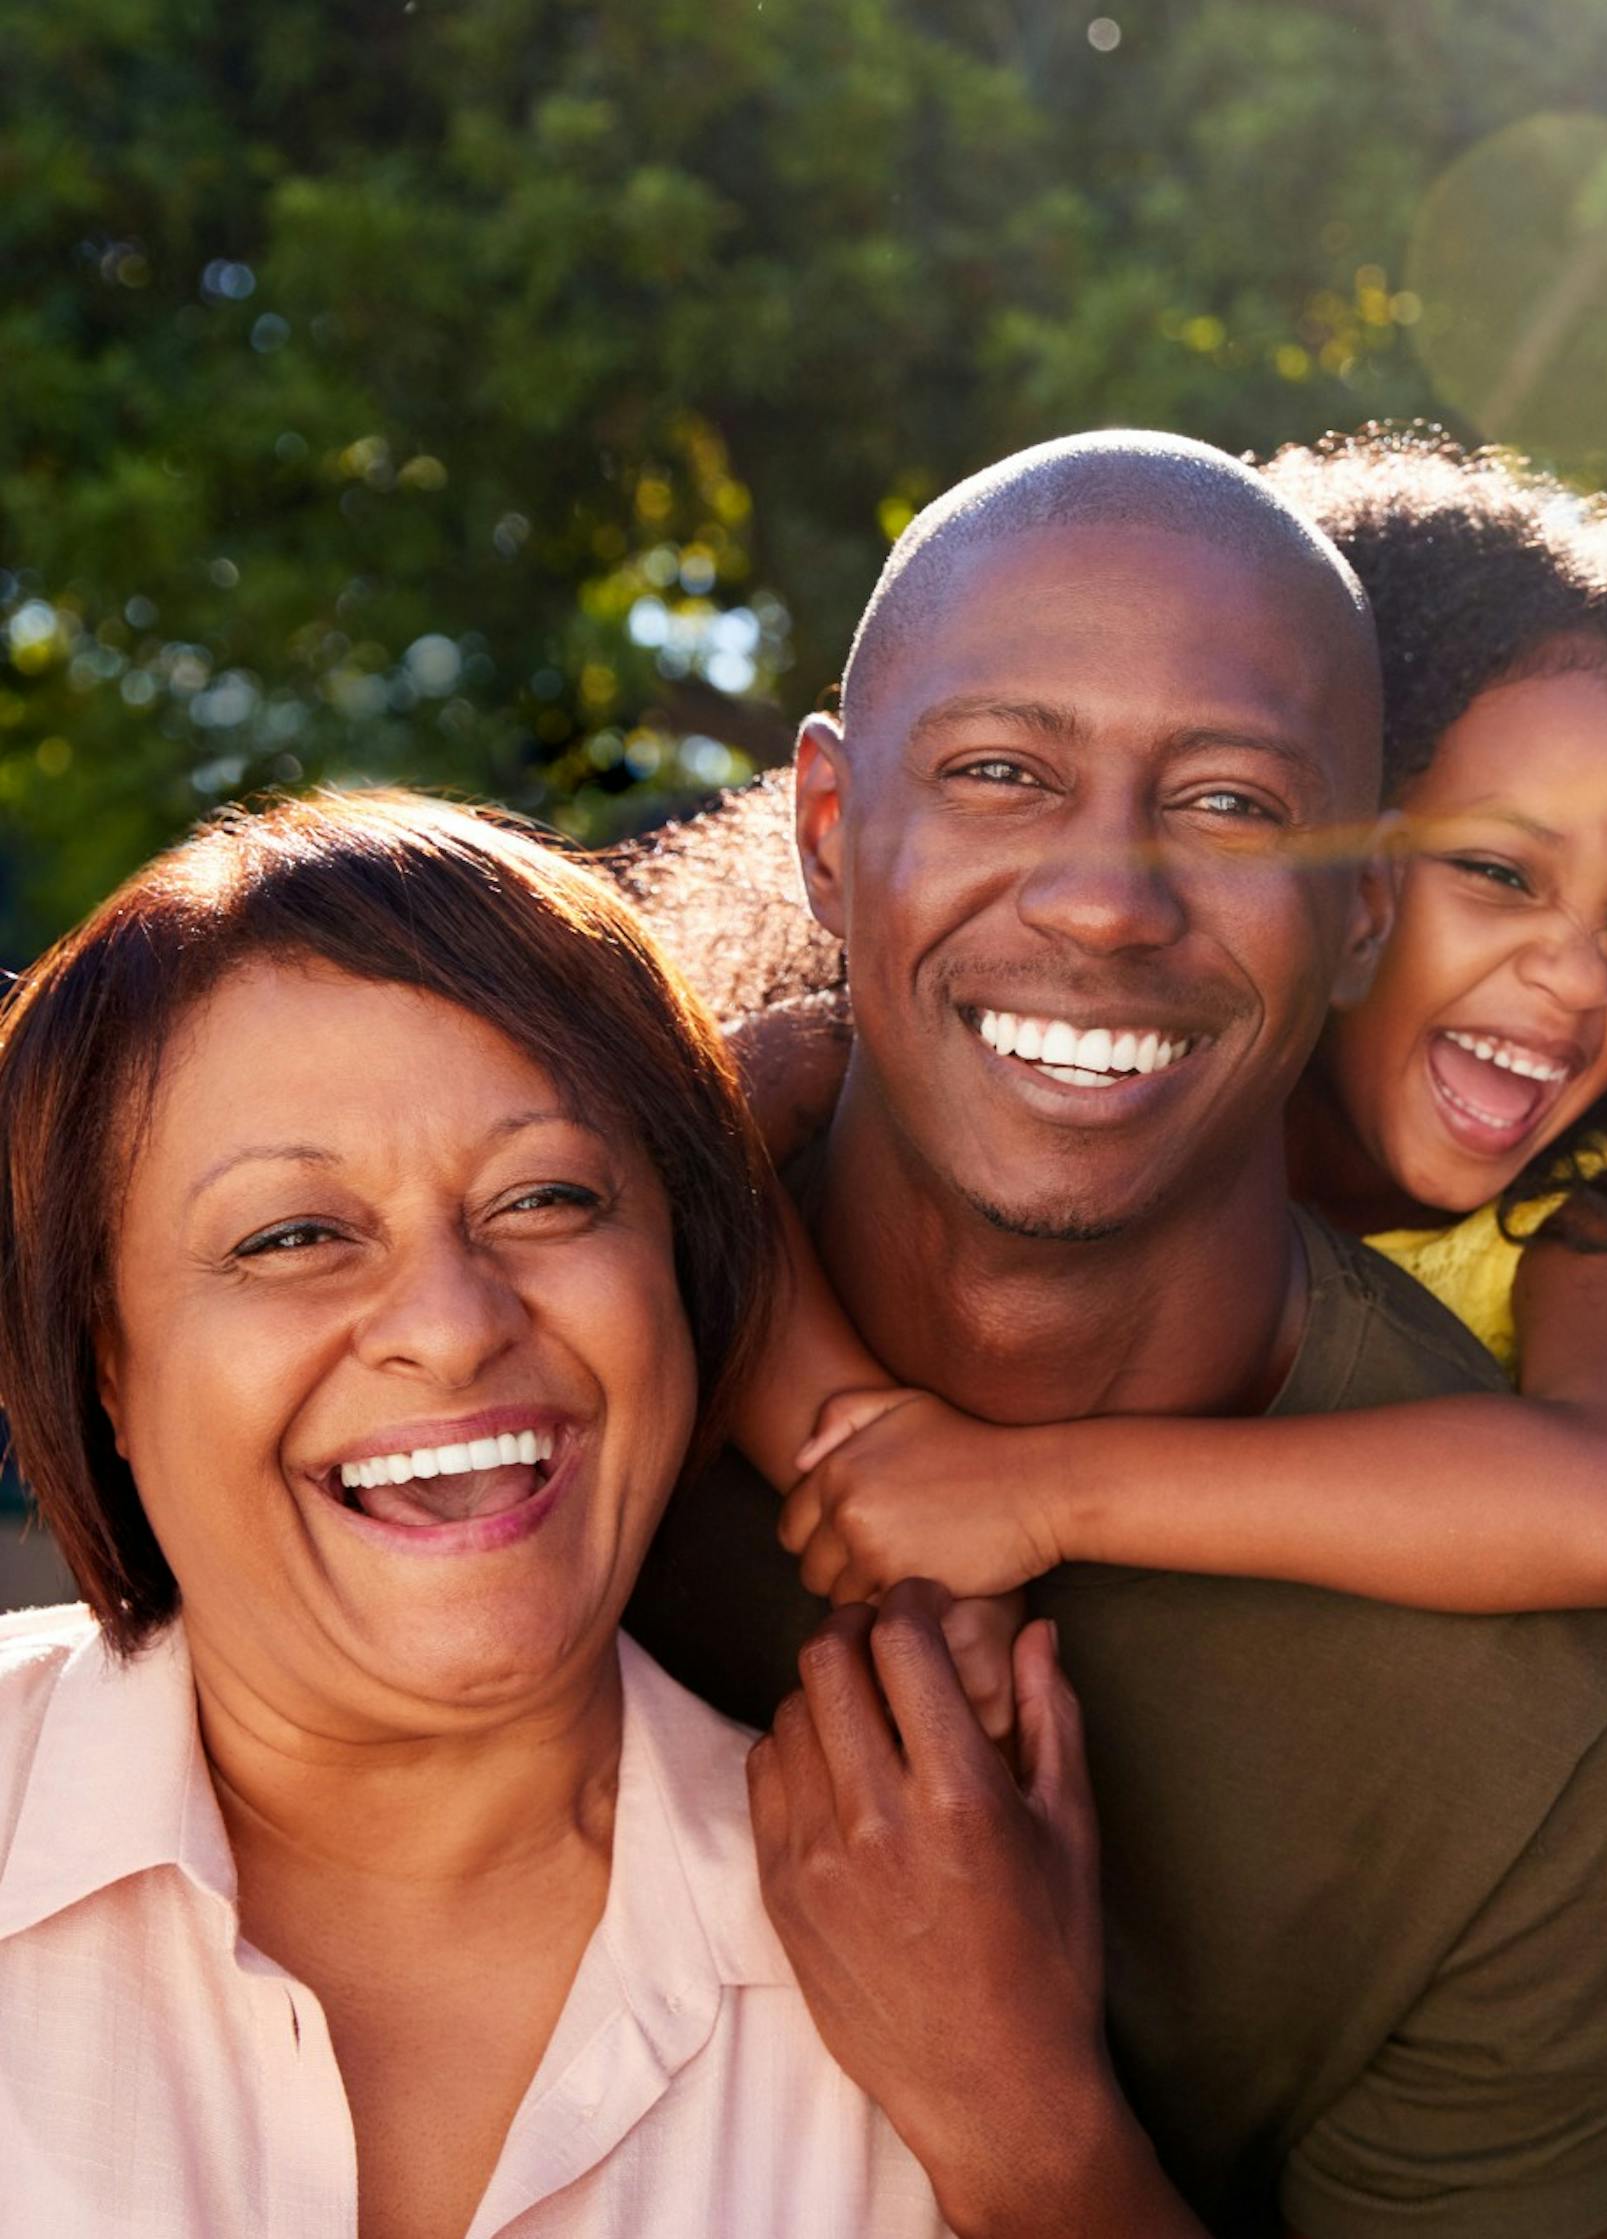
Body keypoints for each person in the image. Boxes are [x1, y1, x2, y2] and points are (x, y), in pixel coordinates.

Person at [616, 431, 1607, 2239]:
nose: (1106, 897)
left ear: (1362, 907)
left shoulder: (1556, 1739)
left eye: (1229, 805)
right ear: (829, 835)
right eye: (996, 773)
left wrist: (1026, 2122)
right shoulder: (533, 1385)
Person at [640, 430, 1607, 1627]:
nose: (1577, 974)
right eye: (1496, 875)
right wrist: (854, 1437)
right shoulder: (932, 1060)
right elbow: (689, 1173)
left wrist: (1028, 1492)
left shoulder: (1590, 1214)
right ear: (1349, 889)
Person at [0, 793, 947, 2236]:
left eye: (547, 1200)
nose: (449, 1325)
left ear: (682, 1289)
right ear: (104, 1368)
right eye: (293, 1236)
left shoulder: (923, 1982)